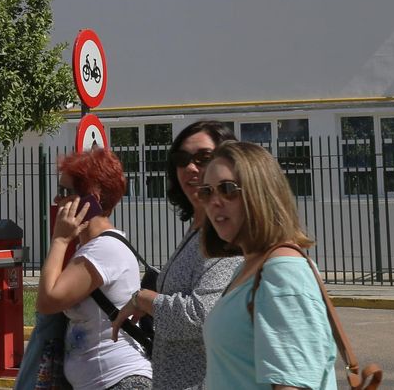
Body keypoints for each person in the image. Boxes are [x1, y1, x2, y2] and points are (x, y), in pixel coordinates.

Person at [112, 121, 243, 390]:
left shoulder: (225, 236)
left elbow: (199, 317)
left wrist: (144, 299)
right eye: (182, 159)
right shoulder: (198, 229)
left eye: (203, 158)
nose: (191, 168)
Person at [199, 141, 338, 390]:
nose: (215, 201)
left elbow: (293, 385)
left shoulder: (283, 271)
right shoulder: (248, 268)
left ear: (260, 194)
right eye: (207, 192)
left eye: (227, 189)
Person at [37, 148, 154, 390]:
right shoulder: (92, 248)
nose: (57, 201)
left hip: (120, 381)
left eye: (64, 192)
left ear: (93, 199)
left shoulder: (104, 250)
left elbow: (48, 301)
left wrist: (59, 240)